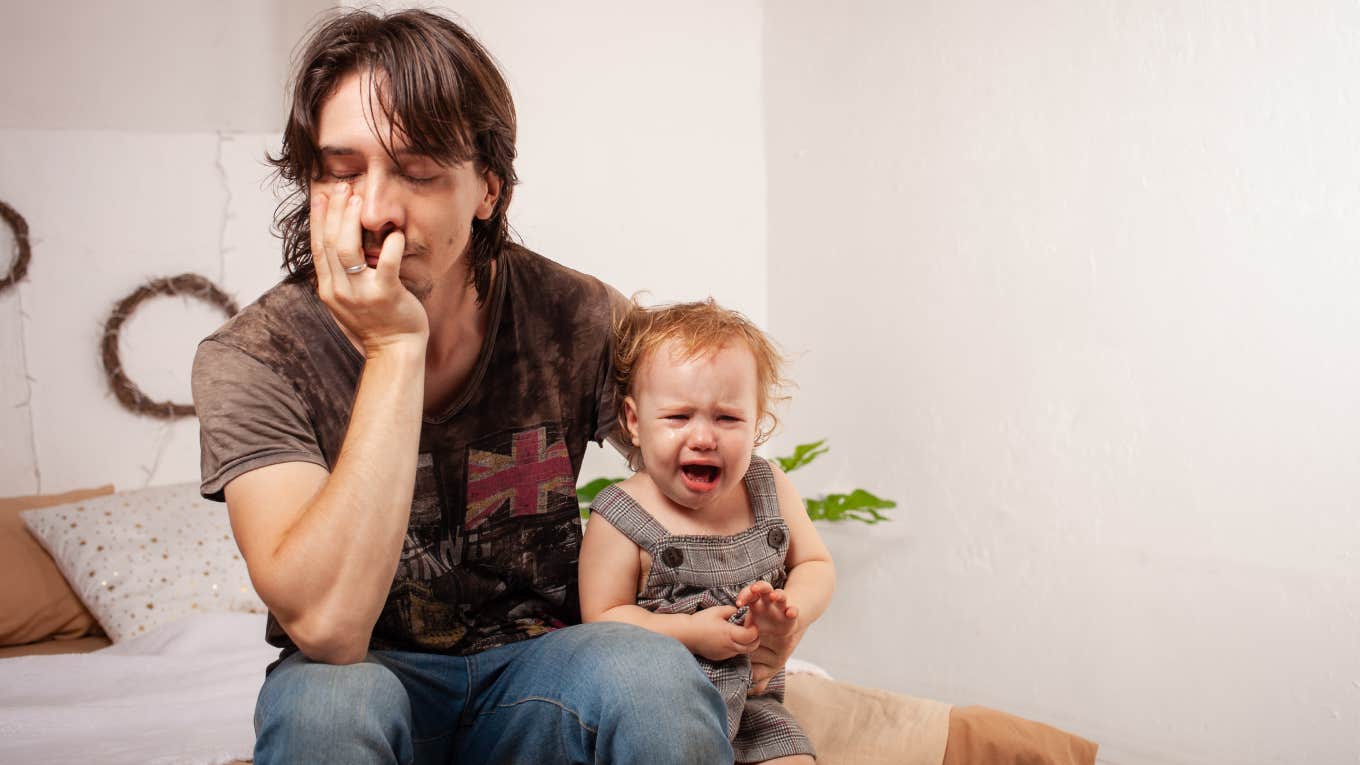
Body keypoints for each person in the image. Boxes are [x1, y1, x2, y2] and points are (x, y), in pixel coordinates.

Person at [191, 9, 734, 764]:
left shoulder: (576, 316)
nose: (376, 210)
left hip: (543, 673)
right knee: (322, 707)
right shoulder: (254, 357)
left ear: (487, 189)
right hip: (366, 675)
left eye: (416, 172)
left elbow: (713, 450)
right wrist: (394, 348)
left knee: (651, 676)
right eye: (342, 170)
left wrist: (776, 599)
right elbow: (328, 626)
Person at [579, 299, 836, 764]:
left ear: (758, 424)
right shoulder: (620, 515)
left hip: (755, 705)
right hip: (657, 715)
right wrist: (689, 632)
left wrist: (790, 613)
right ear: (634, 422)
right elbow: (602, 622)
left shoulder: (767, 487)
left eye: (727, 418)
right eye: (679, 417)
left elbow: (815, 565)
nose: (703, 437)